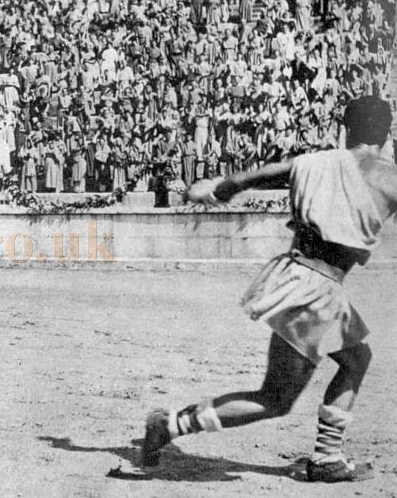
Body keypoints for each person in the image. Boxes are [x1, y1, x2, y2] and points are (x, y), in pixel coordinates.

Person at [142, 96, 395, 483]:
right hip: (319, 289)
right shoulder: (389, 178)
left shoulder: (316, 163)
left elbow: (258, 176)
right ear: (387, 133)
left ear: (347, 130)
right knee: (276, 399)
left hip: (295, 277)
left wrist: (215, 189)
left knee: (354, 360)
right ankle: (172, 425)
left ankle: (325, 455)